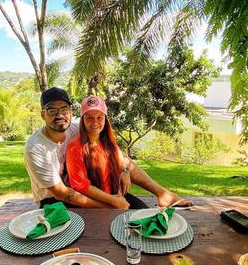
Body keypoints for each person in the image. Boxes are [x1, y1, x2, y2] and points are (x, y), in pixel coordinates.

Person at [24, 87, 192, 209]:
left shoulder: (77, 129)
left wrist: (124, 171)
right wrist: (111, 204)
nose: (59, 115)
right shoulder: (36, 148)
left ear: (70, 111)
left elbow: (115, 154)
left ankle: (163, 194)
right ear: (42, 114)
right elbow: (64, 193)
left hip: (96, 191)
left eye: (64, 109)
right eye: (52, 111)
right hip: (56, 201)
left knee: (142, 214)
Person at [66, 96, 149, 209]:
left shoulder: (108, 141)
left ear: (105, 119)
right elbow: (80, 185)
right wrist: (113, 201)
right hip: (95, 203)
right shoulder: (75, 148)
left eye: (99, 117)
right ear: (82, 120)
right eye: (89, 118)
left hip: (116, 195)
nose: (95, 122)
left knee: (147, 214)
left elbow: (121, 160)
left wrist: (125, 171)